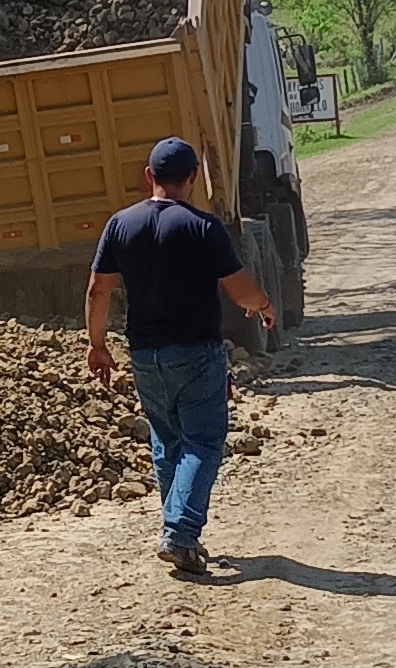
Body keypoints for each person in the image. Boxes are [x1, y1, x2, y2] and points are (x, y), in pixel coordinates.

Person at [84, 139, 276, 577]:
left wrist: (97, 345)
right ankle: (180, 533)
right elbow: (240, 290)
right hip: (196, 352)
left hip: (144, 353)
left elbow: (98, 290)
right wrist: (264, 305)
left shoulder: (120, 224)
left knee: (167, 440)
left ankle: (179, 533)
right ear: (192, 178)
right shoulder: (203, 227)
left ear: (148, 176)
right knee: (203, 441)